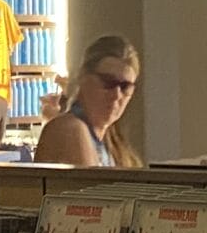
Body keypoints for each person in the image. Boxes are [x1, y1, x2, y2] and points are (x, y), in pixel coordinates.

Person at [35, 36, 141, 167]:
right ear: (83, 78)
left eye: (125, 87)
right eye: (107, 81)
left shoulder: (110, 142)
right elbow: (95, 187)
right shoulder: (70, 129)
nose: (116, 95)